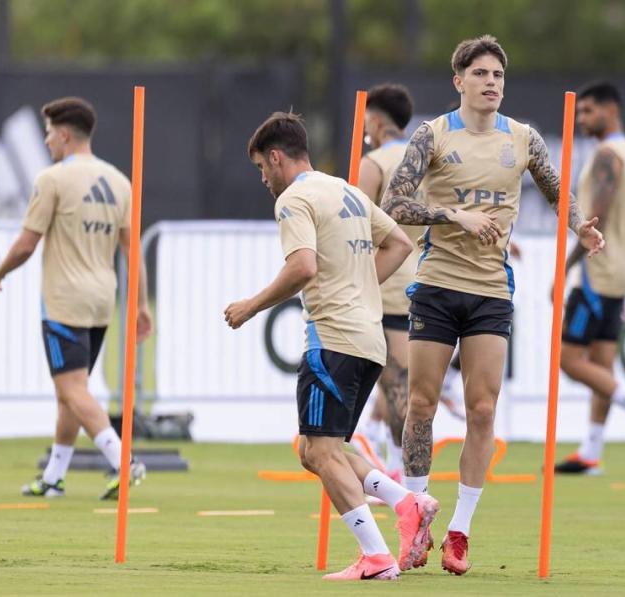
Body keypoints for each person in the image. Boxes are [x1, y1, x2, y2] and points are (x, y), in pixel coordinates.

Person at [382, 35, 604, 574]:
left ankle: (459, 530)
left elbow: (554, 189)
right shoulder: (432, 135)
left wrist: (579, 225)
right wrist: (455, 217)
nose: (491, 83)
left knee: (483, 409)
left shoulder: (523, 138)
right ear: (459, 81)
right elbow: (394, 203)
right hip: (436, 285)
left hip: (490, 290)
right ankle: (416, 515)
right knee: (422, 406)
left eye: (498, 76)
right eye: (480, 74)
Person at [224, 111, 437, 581]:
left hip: (334, 338)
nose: (263, 179)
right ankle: (407, 503)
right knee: (317, 448)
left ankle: (377, 557)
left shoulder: (294, 199)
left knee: (321, 453)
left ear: (277, 158)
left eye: (262, 168)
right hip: (368, 338)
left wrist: (252, 306)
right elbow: (401, 242)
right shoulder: (346, 190)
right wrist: (361, 287)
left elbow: (302, 267)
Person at [0, 97, 151, 500]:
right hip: (101, 301)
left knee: (73, 390)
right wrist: (142, 305)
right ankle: (54, 477)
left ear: (64, 134)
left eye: (48, 134)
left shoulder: (52, 179)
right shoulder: (118, 181)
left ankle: (123, 459)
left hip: (64, 300)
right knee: (71, 390)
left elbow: (27, 244)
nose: (45, 142)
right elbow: (133, 252)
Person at [554, 81, 625, 475]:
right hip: (622, 269)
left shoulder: (607, 155)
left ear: (611, 110)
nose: (582, 119)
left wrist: (567, 265)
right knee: (602, 364)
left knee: (568, 360)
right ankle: (591, 450)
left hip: (598, 268)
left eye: (588, 111)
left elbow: (594, 220)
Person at [356, 83, 424, 481]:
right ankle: (371, 435)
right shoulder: (426, 161)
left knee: (397, 381)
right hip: (425, 278)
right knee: (399, 380)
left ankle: (397, 467)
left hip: (386, 283)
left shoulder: (375, 163)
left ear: (377, 121)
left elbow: (357, 223)